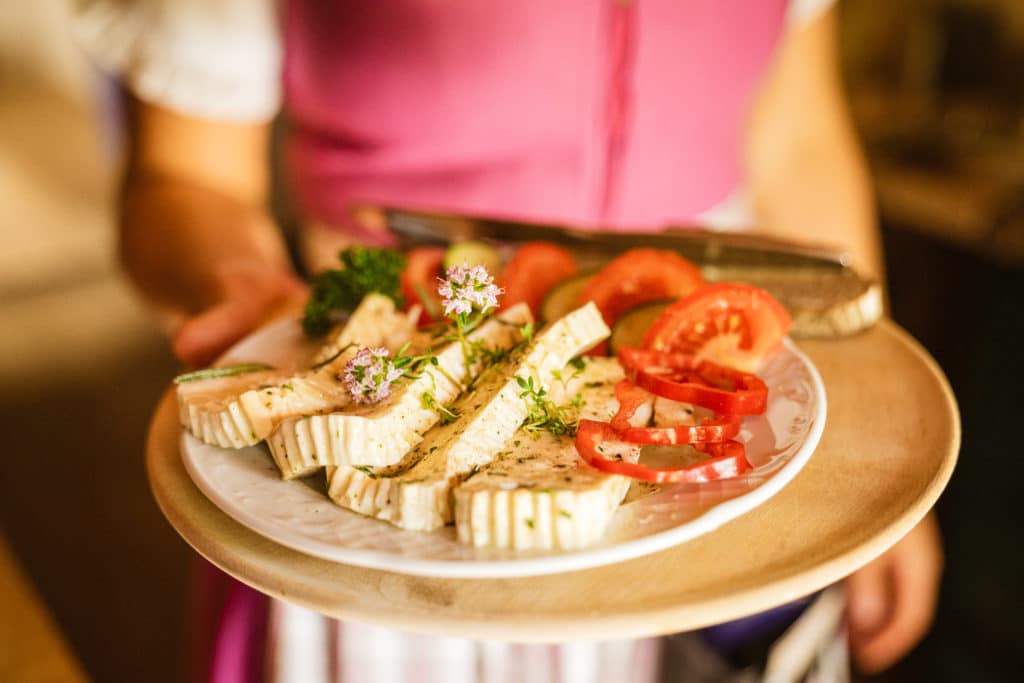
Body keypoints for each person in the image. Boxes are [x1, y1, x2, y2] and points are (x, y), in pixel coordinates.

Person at [76, 0, 943, 680]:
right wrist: (240, 287)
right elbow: (183, 176)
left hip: (702, 434)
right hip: (389, 496)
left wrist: (884, 465)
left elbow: (795, 139)